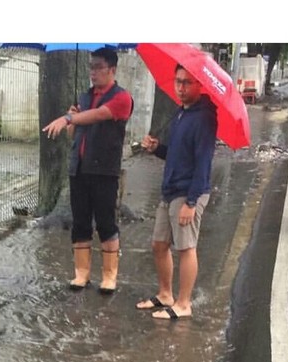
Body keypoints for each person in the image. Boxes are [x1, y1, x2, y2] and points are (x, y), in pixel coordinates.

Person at [42, 47, 133, 294]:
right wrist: (72, 118)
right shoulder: (83, 97)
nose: (93, 72)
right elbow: (75, 133)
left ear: (112, 69)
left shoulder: (121, 98)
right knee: (80, 221)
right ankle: (81, 273)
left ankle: (109, 275)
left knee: (105, 222)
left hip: (104, 170)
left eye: (98, 67)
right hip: (79, 169)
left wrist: (69, 118)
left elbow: (98, 116)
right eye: (90, 67)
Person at [135, 64, 218, 320]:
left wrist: (191, 202)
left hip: (188, 192)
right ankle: (165, 294)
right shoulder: (182, 113)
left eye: (187, 83)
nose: (181, 88)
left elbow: (202, 162)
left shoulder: (204, 118)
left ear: (199, 85)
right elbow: (176, 154)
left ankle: (183, 304)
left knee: (186, 247)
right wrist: (157, 148)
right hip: (170, 190)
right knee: (159, 244)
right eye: (178, 82)